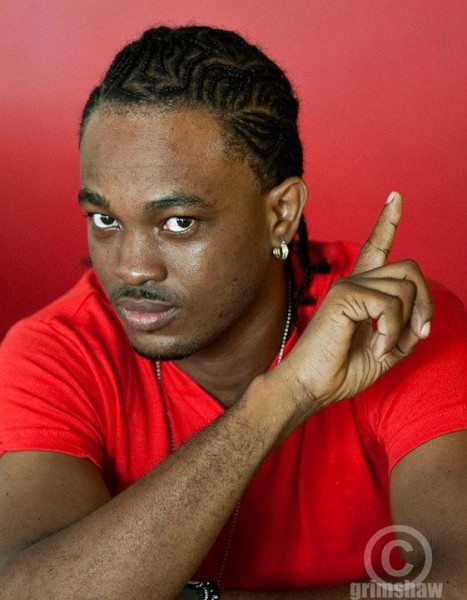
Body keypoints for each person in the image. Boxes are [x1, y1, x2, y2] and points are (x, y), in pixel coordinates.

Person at [0, 25, 466, 600]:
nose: (131, 268)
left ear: (281, 214)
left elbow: (453, 585)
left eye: (178, 223)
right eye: (105, 220)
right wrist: (282, 398)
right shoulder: (57, 351)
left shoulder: (394, 324)